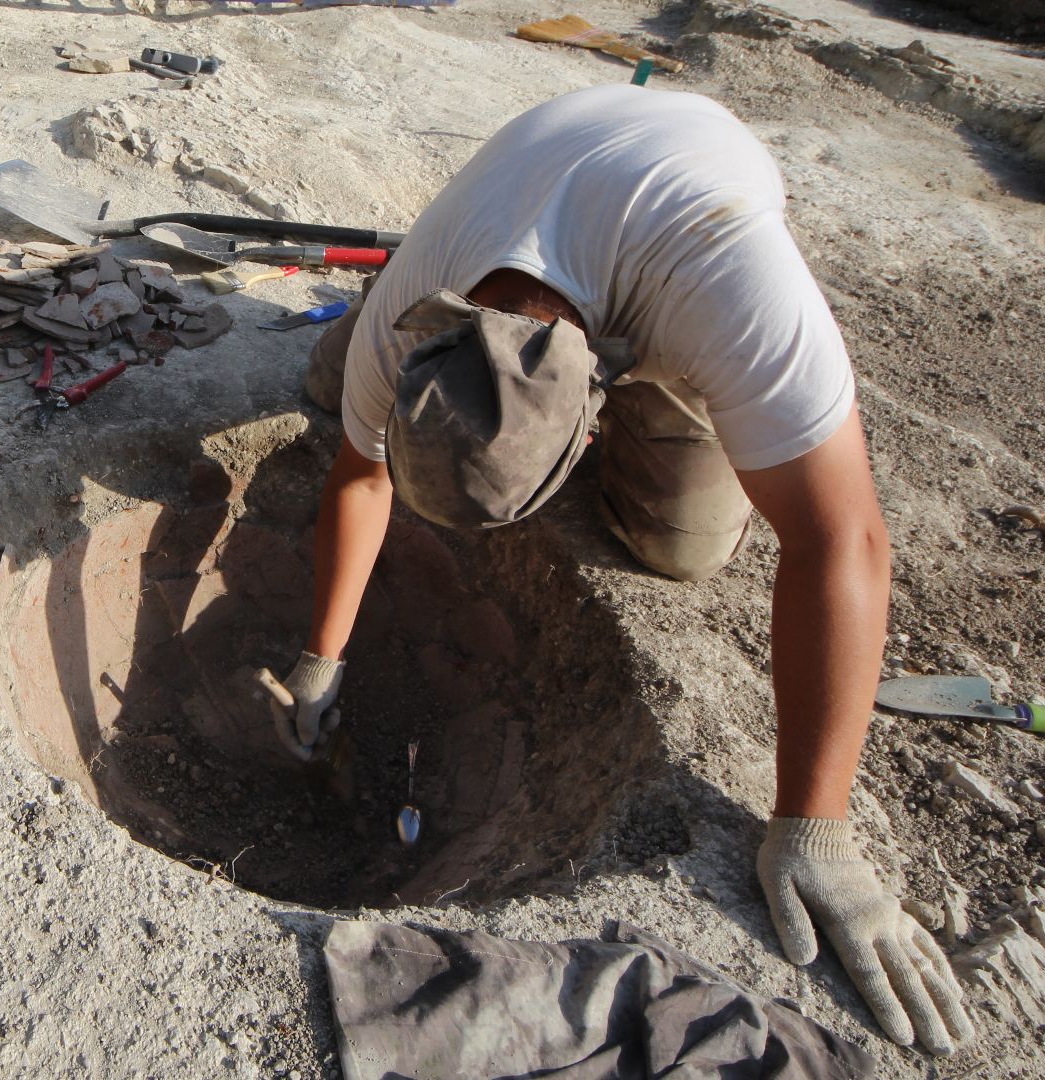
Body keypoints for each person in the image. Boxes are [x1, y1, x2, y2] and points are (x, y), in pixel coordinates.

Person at [272, 84, 974, 1056]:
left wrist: (817, 823)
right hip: (536, 172)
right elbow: (360, 476)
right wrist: (323, 659)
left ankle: (649, 420)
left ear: (589, 413)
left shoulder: (734, 285)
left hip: (678, 205)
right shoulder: (412, 300)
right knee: (330, 385)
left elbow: (842, 539)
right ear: (434, 331)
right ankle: (348, 346)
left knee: (679, 546)